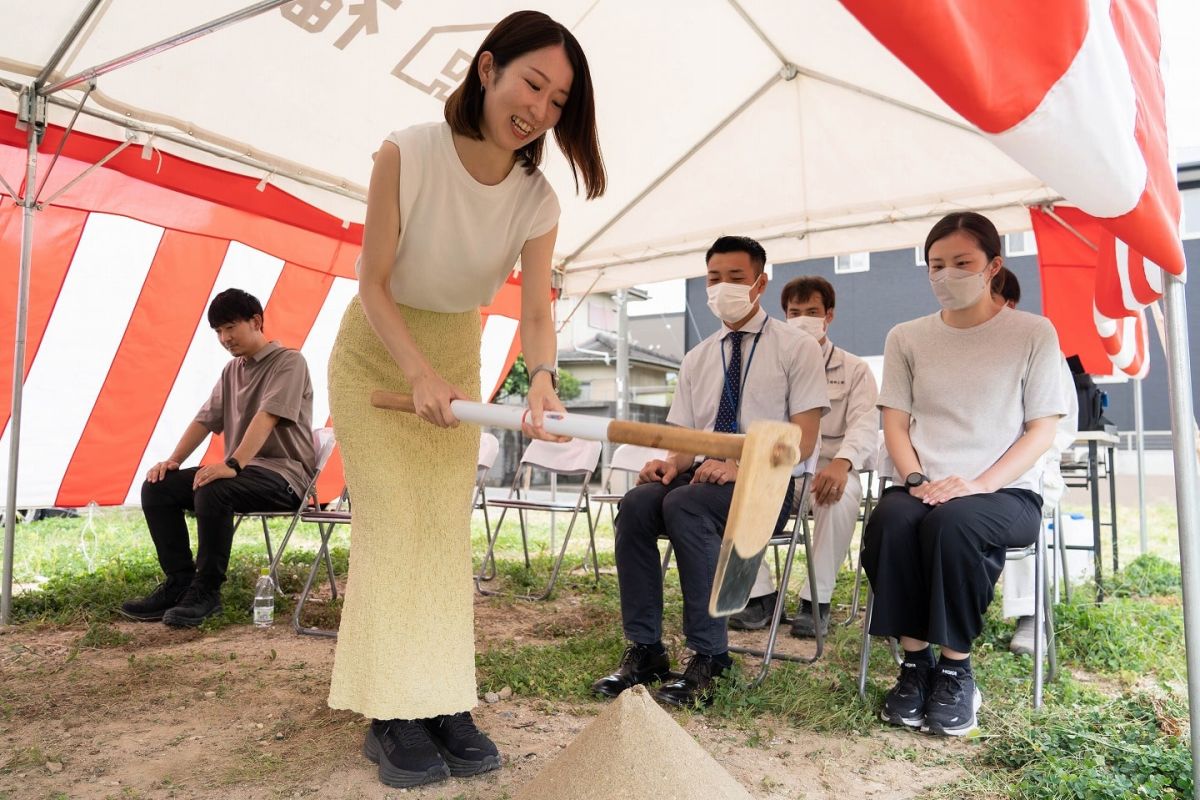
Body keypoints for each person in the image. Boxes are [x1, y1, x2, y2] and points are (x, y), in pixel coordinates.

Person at [324, 11, 606, 790]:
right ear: (487, 70)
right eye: (532, 84)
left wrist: (542, 376)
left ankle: (443, 700)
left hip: (457, 350)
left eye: (557, 101)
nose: (540, 110)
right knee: (394, 520)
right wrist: (413, 372)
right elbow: (372, 284)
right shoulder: (407, 151)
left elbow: (539, 311)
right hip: (378, 351)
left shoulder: (537, 197)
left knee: (442, 532)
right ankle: (391, 713)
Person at [590, 236, 828, 708]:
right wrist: (667, 462)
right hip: (700, 480)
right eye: (714, 279)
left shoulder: (796, 348)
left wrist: (740, 465)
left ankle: (711, 656)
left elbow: (802, 439)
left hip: (765, 484)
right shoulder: (699, 357)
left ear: (760, 282)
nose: (723, 288)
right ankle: (647, 649)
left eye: (736, 279)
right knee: (638, 503)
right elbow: (682, 440)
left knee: (683, 504)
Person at [864, 212, 1067, 737]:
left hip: (1004, 492)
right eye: (936, 265)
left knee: (954, 525)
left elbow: (1041, 431)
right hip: (923, 485)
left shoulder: (1032, 332)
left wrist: (978, 484)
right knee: (891, 520)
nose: (946, 275)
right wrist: (913, 481)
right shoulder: (906, 337)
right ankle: (915, 664)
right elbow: (895, 423)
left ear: (993, 266)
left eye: (962, 263)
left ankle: (956, 669)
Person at [120, 288, 315, 628]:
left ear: (256, 322)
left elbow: (266, 417)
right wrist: (173, 460)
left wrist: (232, 464)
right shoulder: (231, 371)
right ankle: (180, 583)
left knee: (213, 488)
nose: (224, 338)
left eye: (230, 328)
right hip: (243, 473)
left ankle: (207, 591)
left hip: (284, 478)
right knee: (158, 486)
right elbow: (205, 419)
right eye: (218, 332)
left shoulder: (289, 362)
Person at [729, 276, 879, 637]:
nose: (803, 319)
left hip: (833, 467)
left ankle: (817, 601)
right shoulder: (770, 365)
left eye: (812, 311)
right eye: (795, 312)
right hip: (782, 471)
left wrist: (843, 464)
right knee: (734, 491)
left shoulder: (855, 369)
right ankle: (759, 594)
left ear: (829, 315)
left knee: (838, 499)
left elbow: (865, 424)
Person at [989, 267, 1078, 656]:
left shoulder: (1041, 346)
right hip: (968, 466)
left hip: (1028, 465)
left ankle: (1029, 612)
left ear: (1009, 304)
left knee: (1027, 491)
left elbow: (1059, 427)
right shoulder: (954, 347)